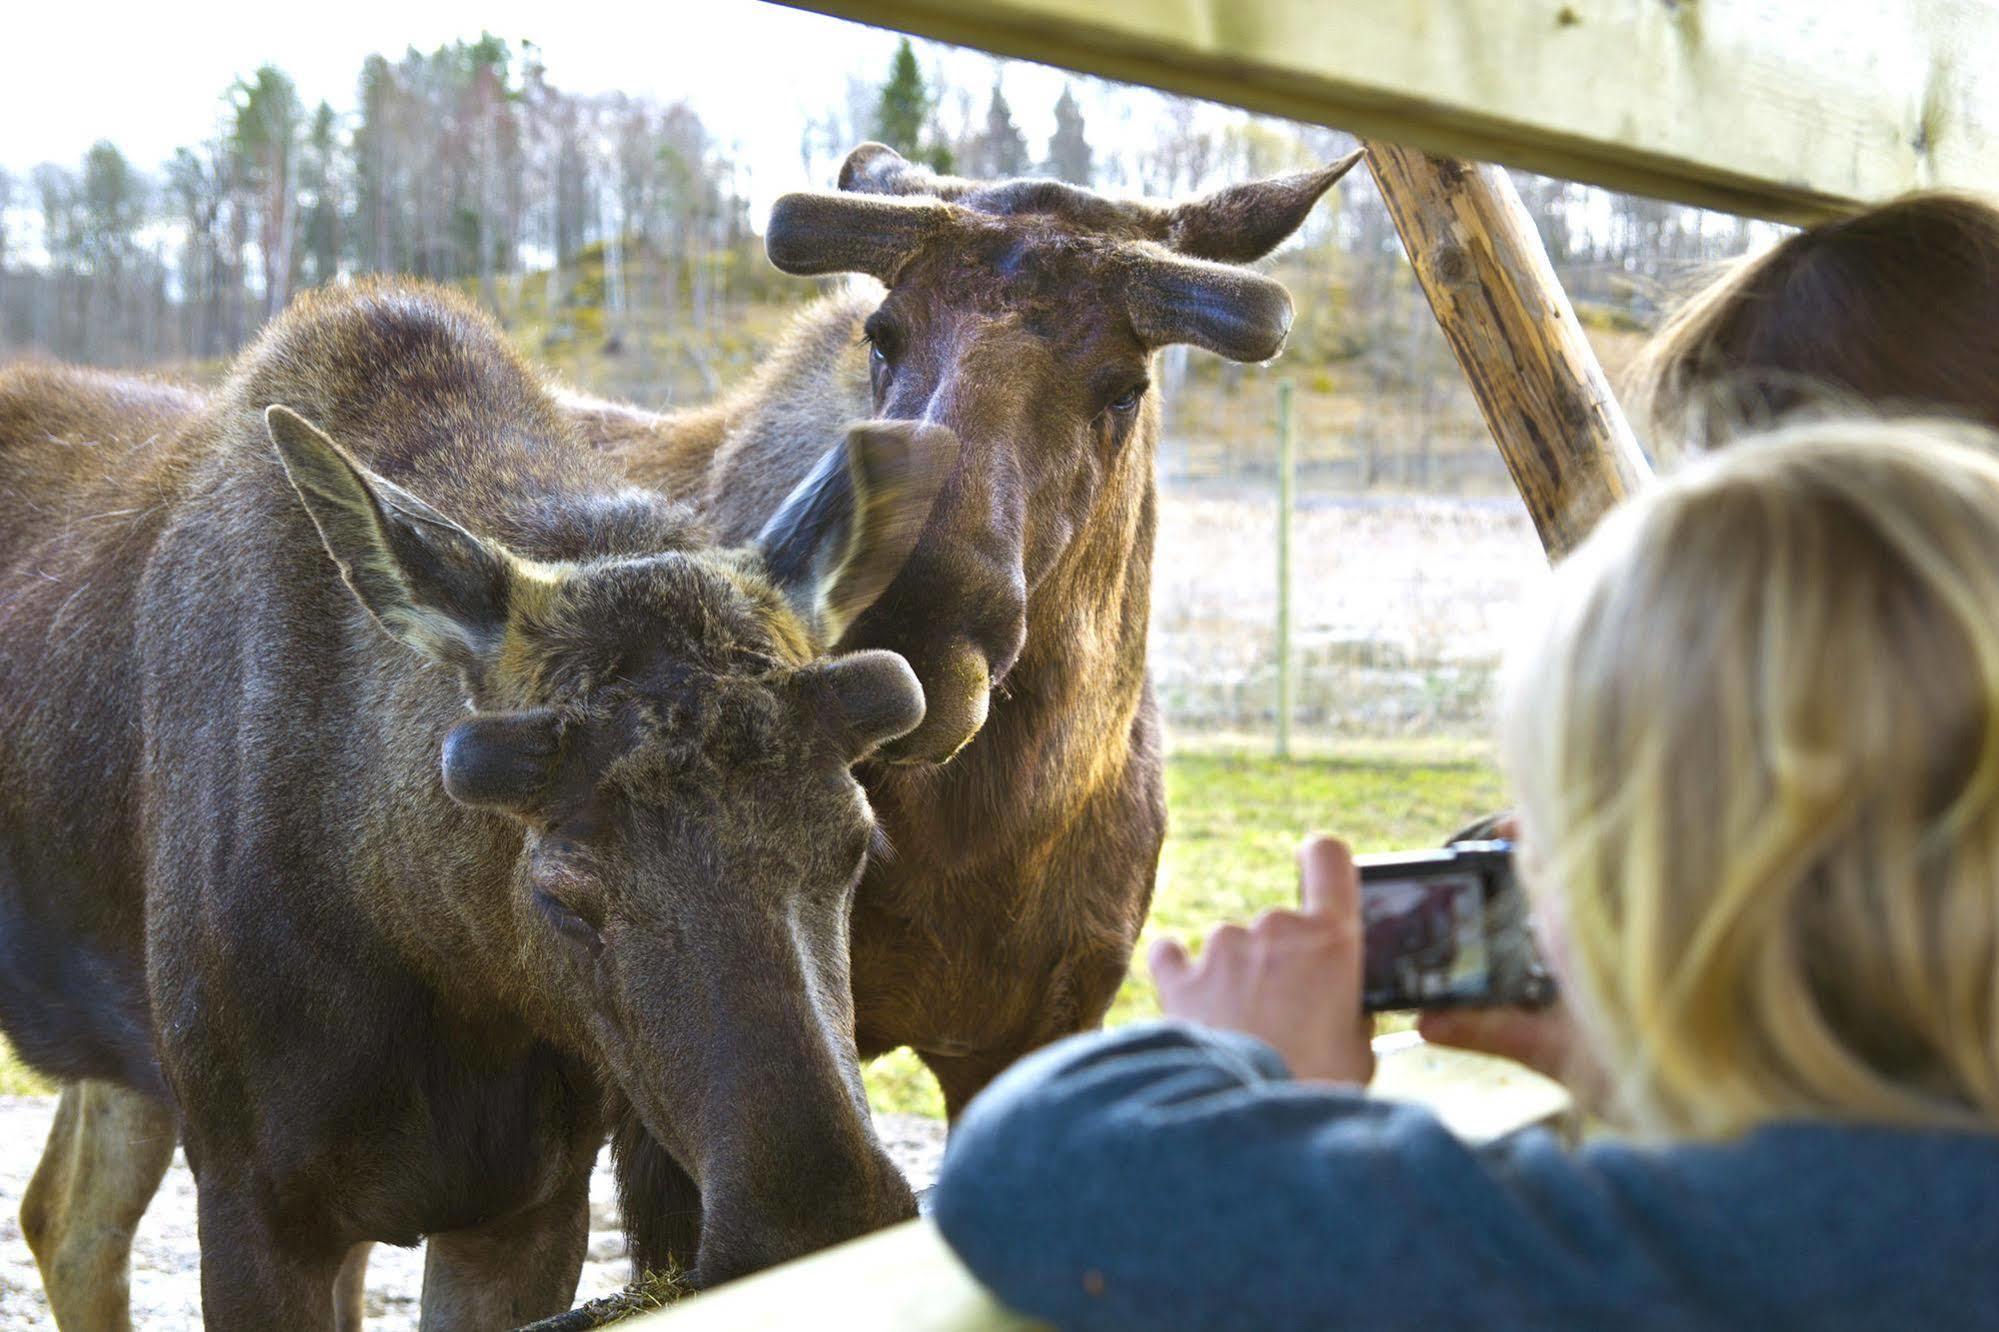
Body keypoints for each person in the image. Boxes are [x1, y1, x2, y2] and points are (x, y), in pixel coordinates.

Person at [930, 419, 1999, 1330]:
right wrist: (1653, 1073)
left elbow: (1030, 1169)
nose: (1517, 841)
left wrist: (1252, 1060)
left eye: (1563, 816)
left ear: (1688, 896)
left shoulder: (1659, 1249)